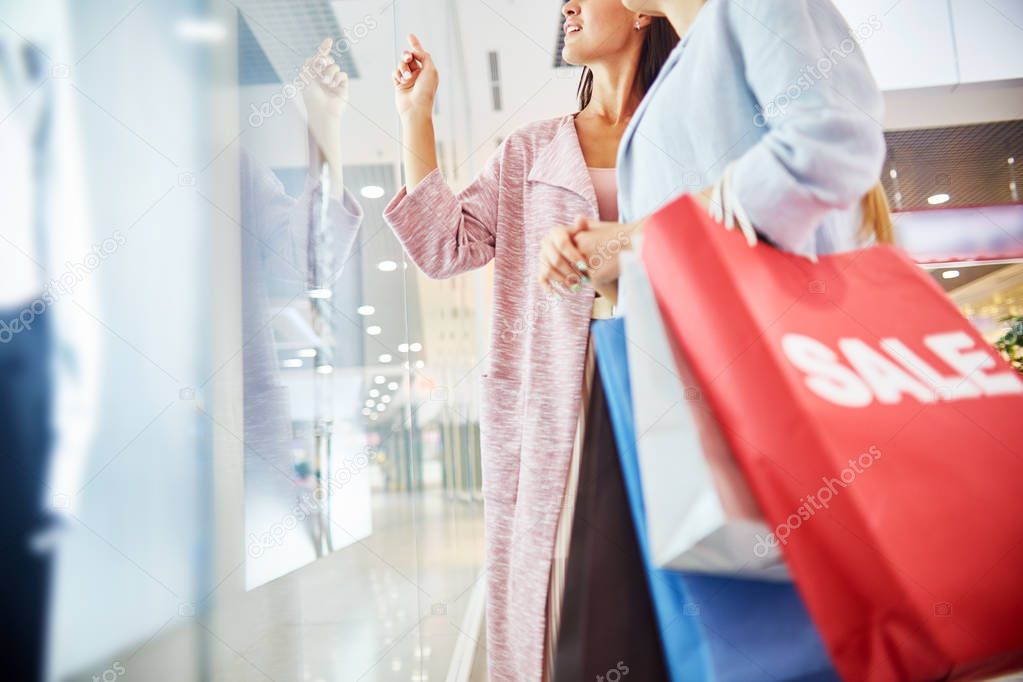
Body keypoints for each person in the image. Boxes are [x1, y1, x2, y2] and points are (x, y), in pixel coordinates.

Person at [383, 3, 677, 679]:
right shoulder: (528, 152)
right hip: (558, 406)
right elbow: (442, 245)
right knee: (563, 581)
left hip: (667, 388)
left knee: (670, 569)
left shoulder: (686, 135)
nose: (566, 6)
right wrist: (415, 117)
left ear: (641, 10)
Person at [546, 0, 891, 295]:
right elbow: (661, 273)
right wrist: (596, 261)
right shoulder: (660, 103)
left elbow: (824, 146)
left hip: (789, 347)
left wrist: (637, 238)